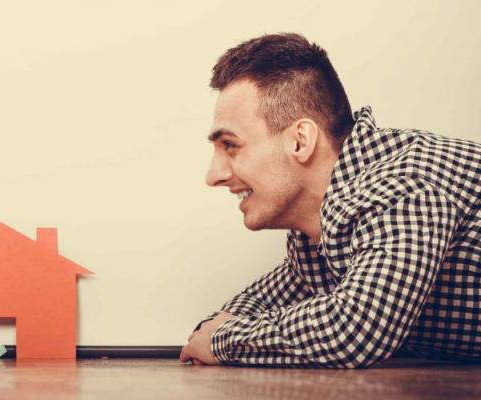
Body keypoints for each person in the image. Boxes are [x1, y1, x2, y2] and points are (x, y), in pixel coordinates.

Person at [179, 33, 481, 368]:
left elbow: (355, 329)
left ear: (300, 141)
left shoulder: (404, 186)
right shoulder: (318, 238)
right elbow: (248, 309)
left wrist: (223, 342)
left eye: (230, 145)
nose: (213, 175)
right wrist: (213, 332)